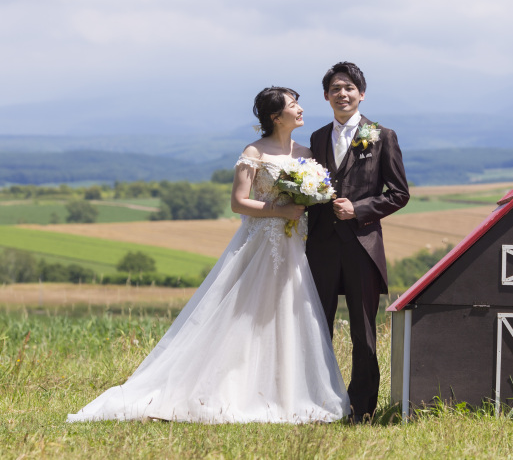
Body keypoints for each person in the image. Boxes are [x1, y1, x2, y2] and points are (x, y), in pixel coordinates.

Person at [67, 87, 350, 424]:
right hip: (262, 243)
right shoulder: (254, 151)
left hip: (295, 246)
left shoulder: (307, 151)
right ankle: (229, 388)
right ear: (276, 117)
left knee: (288, 313)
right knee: (246, 314)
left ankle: (288, 391)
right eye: (293, 105)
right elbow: (238, 202)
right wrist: (279, 210)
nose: (301, 109)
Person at [306, 62, 410, 423]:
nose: (342, 94)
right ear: (326, 96)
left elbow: (399, 193)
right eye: (335, 88)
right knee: (317, 325)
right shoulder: (317, 138)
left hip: (362, 246)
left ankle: (360, 408)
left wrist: (360, 208)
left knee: (363, 333)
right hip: (319, 246)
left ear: (361, 93)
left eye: (349, 88)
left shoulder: (382, 135)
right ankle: (316, 400)